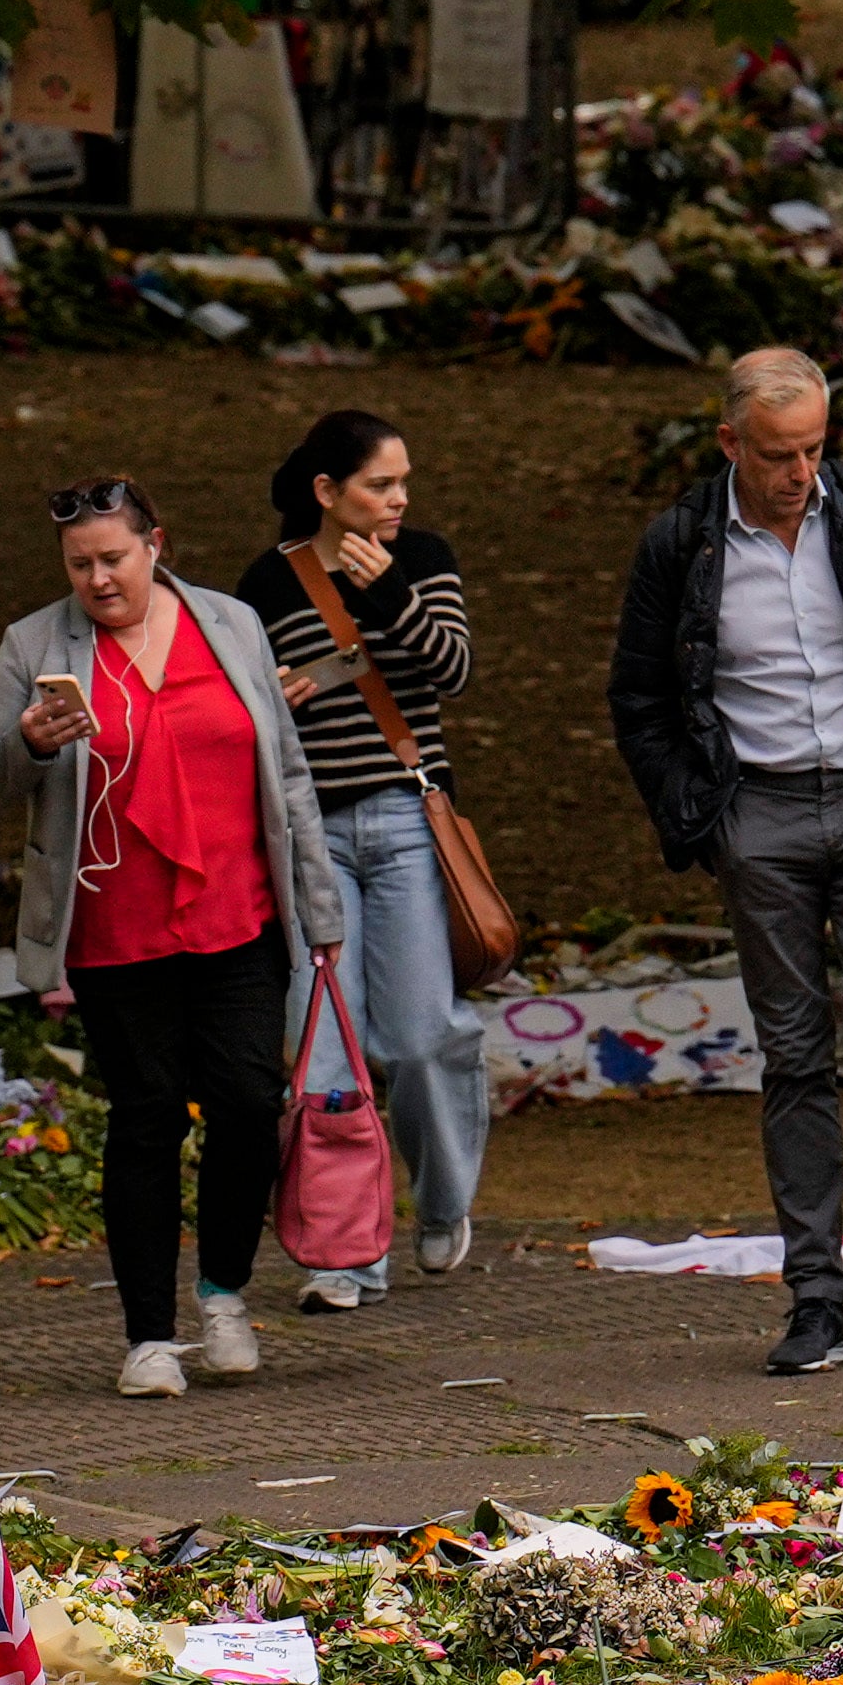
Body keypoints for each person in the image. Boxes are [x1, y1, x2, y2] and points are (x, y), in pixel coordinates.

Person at [607, 352, 843, 1375]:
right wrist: (698, 814)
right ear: (730, 442)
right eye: (779, 454)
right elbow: (639, 696)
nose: (799, 473)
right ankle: (816, 1298)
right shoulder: (683, 542)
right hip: (761, 813)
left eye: (815, 449)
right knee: (794, 1056)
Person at [0, 478, 348, 1400]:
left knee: (249, 1103)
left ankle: (223, 1295)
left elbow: (285, 771)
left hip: (239, 912)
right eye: (79, 564)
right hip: (114, 925)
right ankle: (149, 1337)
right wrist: (33, 742)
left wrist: (321, 911)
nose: (97, 579)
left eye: (113, 558)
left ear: (155, 545)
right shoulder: (34, 644)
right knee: (147, 1118)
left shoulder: (232, 625)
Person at [235, 413, 485, 1309]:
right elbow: (244, 722)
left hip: (407, 817)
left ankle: (444, 1201)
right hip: (311, 833)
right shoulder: (267, 583)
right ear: (326, 492)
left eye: (403, 482)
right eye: (381, 485)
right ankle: (345, 1257)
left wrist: (388, 601)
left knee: (419, 1036)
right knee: (325, 1049)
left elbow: (452, 671)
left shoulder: (422, 557)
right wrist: (277, 701)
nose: (400, 499)